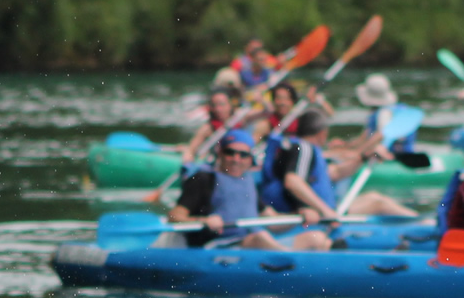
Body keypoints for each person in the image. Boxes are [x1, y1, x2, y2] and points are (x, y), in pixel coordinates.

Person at [170, 130, 332, 251]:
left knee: (316, 238)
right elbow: (175, 216)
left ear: (250, 158)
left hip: (253, 244)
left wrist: (301, 215)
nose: (236, 159)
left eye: (243, 155)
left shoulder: (248, 182)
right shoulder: (203, 179)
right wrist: (203, 221)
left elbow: (272, 221)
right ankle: (291, 262)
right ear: (220, 153)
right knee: (260, 238)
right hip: (218, 247)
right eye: (230, 153)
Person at [264, 109, 414, 223]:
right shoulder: (304, 148)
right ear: (322, 133)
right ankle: (425, 225)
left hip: (329, 210)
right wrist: (326, 211)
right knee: (378, 202)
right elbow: (293, 181)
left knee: (374, 198)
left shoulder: (303, 150)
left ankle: (423, 222)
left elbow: (334, 173)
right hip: (320, 216)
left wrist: (363, 158)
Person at [179, 87, 240, 166]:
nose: (218, 109)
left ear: (230, 105)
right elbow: (191, 149)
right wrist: (188, 162)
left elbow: (259, 114)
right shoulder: (207, 128)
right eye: (214, 105)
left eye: (222, 104)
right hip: (220, 164)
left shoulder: (242, 118)